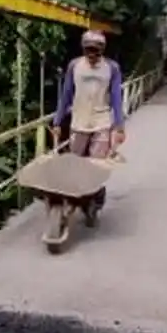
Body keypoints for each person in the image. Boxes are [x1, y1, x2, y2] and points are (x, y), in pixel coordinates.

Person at [51, 30, 125, 219]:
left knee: (96, 166)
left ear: (102, 50)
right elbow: (66, 94)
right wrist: (57, 121)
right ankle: (74, 198)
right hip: (79, 121)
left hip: (102, 122)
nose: (92, 55)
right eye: (88, 50)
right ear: (83, 49)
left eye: (96, 51)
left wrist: (119, 126)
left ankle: (94, 201)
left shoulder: (112, 68)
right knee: (75, 163)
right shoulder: (74, 66)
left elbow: (116, 97)